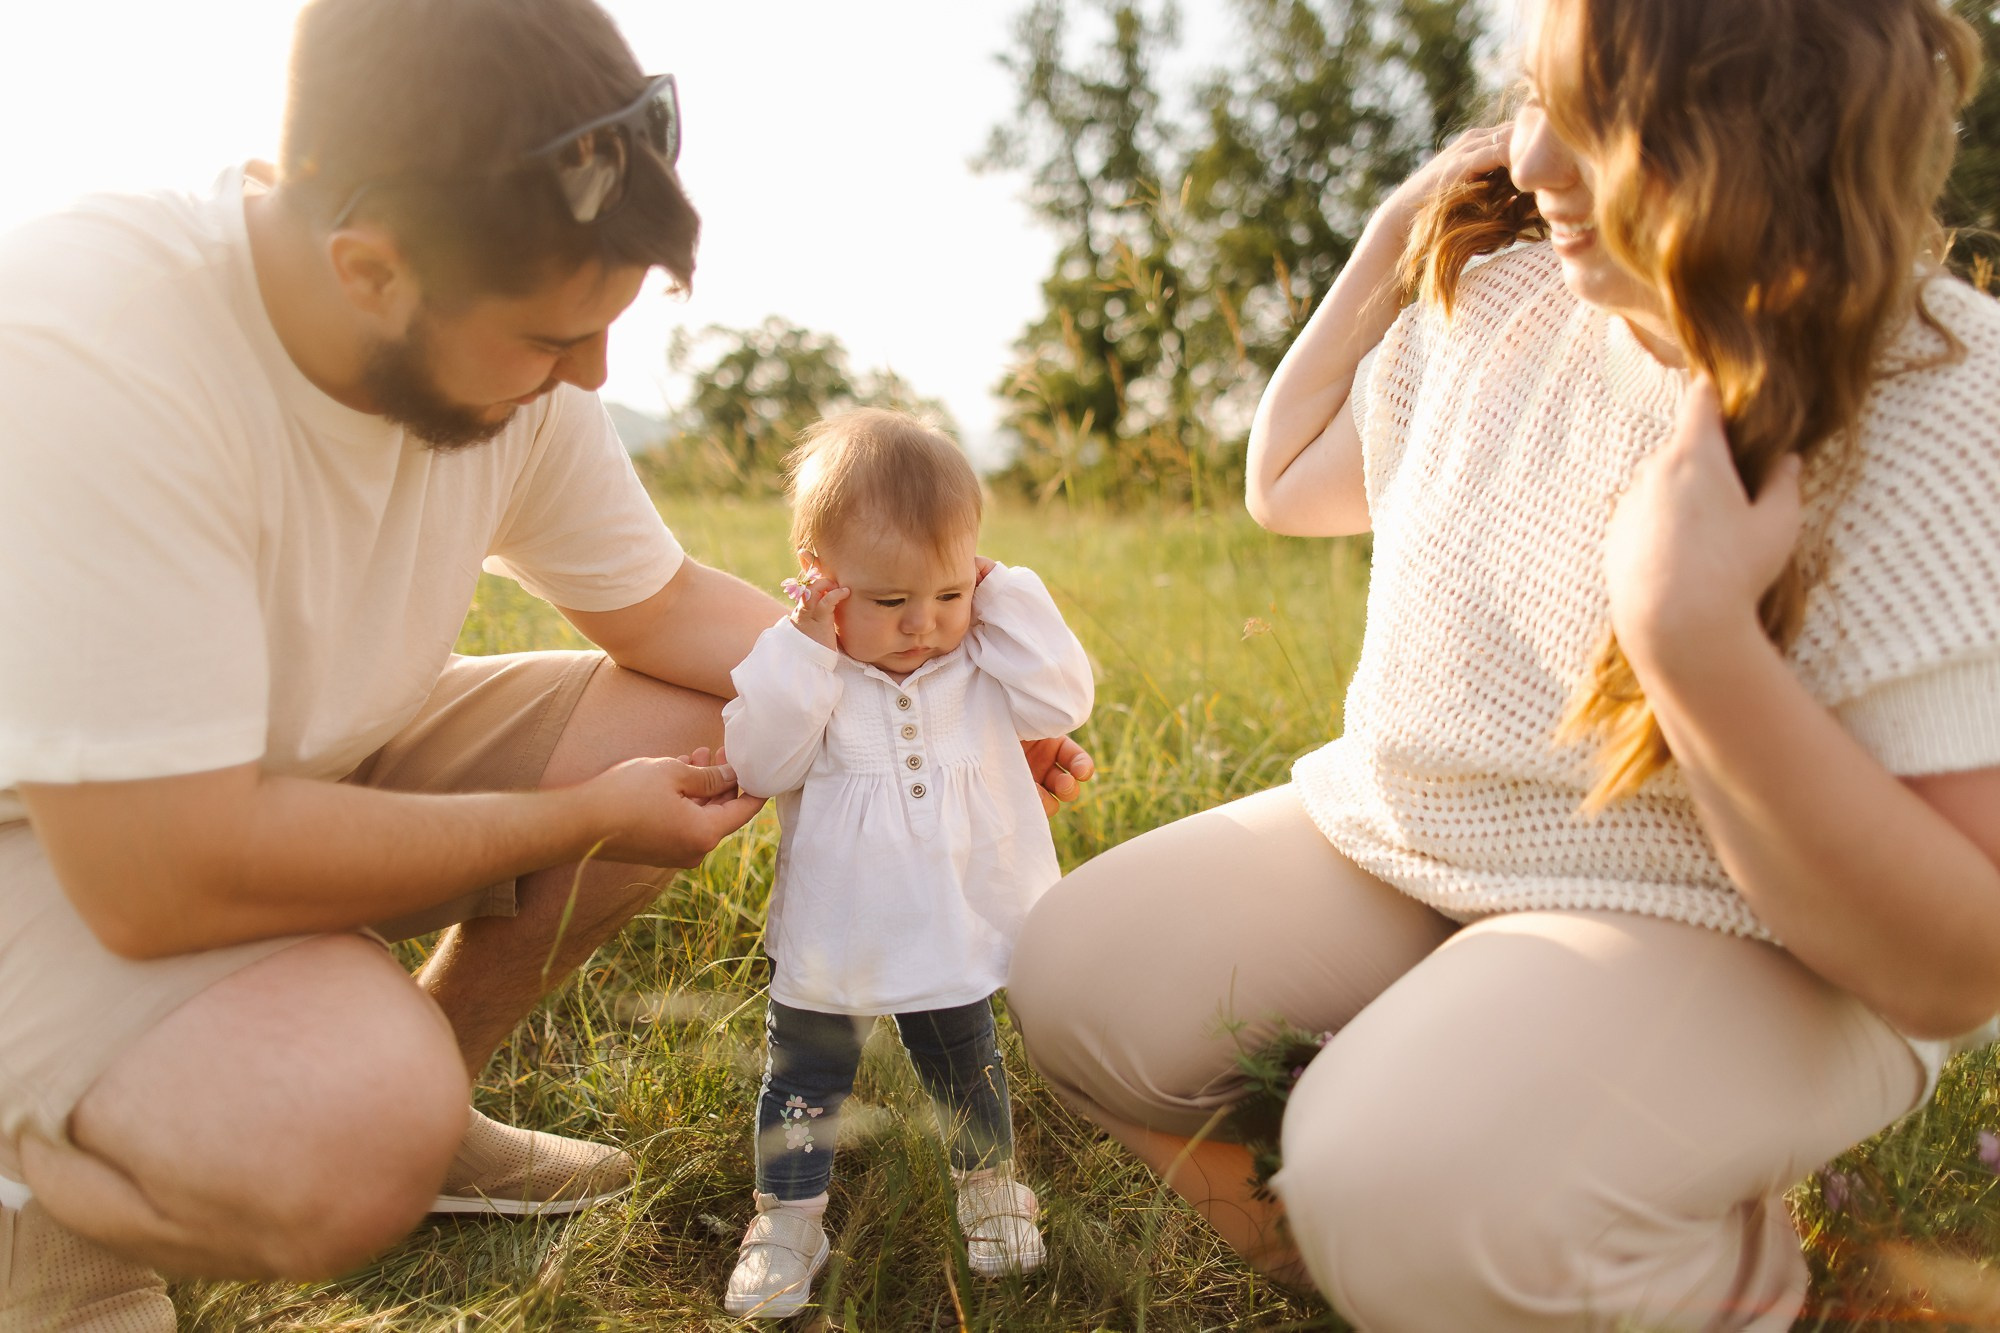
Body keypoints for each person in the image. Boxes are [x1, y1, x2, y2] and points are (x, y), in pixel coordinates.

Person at [0, 3, 1090, 1328]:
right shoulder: (92, 349)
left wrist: (950, 704)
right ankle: (42, 1226)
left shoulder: (512, 343)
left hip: (288, 763)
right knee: (342, 1128)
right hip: (61, 843)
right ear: (369, 271)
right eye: (547, 339)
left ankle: (435, 1095)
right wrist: (574, 816)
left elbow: (665, 605)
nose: (592, 372)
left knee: (719, 702)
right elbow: (158, 874)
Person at [1006, 0, 2000, 1327]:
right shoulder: (1508, 301)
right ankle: (1447, 1275)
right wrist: (1392, 236)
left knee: (1399, 1175)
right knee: (1086, 970)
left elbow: (1955, 967)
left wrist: (1691, 638)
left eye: (1590, 122)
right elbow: (1287, 485)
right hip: (1432, 837)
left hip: (1744, 924)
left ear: (1748, 136)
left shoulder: (1946, 400)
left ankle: (1724, 1296)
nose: (1527, 159)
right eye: (1531, 100)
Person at [715, 409, 1094, 1319]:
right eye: (890, 603)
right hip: (836, 925)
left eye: (950, 593)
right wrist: (806, 644)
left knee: (967, 1061)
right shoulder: (805, 668)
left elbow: (1065, 694)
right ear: (822, 583)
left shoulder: (980, 665)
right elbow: (761, 762)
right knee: (805, 1078)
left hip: (952, 914)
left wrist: (1002, 591)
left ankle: (991, 1187)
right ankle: (789, 1218)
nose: (925, 624)